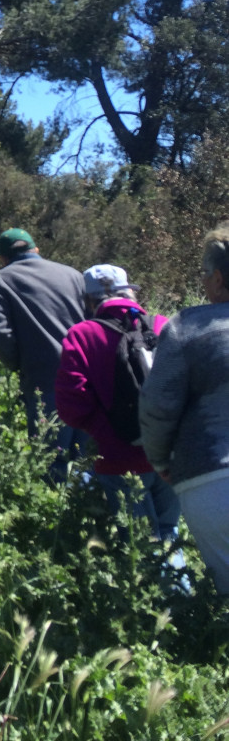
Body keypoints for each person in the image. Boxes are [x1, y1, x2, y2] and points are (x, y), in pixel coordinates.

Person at [56, 264, 179, 540]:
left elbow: (70, 405)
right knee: (169, 534)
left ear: (89, 300)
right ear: (130, 294)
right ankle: (178, 582)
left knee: (141, 545)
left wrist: (106, 432)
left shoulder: (82, 335)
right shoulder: (162, 325)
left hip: (118, 458)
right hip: (170, 452)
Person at [139, 225, 229, 593]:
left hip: (210, 478)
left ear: (220, 277)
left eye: (205, 275)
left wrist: (160, 462)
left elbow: (158, 407)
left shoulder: (187, 328)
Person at [0, 227, 85, 476]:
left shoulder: (0, 280)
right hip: (85, 377)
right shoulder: (73, 275)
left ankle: (52, 512)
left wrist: (17, 364)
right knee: (87, 459)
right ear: (36, 250)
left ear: (2, 258)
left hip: (44, 380)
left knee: (50, 461)